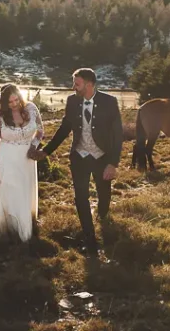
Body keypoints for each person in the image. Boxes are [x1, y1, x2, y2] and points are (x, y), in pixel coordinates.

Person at [41, 68, 124, 256]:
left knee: (104, 196)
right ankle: (90, 238)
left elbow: (117, 135)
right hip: (79, 157)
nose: (73, 87)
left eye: (76, 84)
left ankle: (103, 220)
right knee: (81, 197)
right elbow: (64, 129)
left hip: (102, 158)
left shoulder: (109, 102)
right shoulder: (72, 101)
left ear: (88, 84)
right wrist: (46, 151)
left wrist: (113, 164)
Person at [0, 83, 44, 242]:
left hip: (27, 161)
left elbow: (40, 131)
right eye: (10, 102)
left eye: (16, 100)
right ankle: (12, 232)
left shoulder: (31, 109)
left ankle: (26, 228)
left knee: (24, 193)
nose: (14, 104)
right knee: (13, 194)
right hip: (7, 159)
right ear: (4, 103)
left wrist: (33, 147)